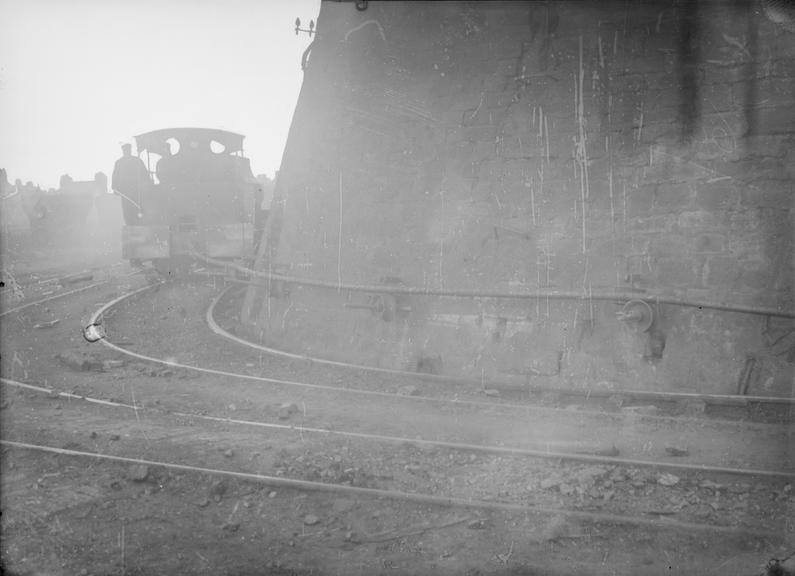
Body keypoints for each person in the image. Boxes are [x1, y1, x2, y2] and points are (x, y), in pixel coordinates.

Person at [111, 143, 150, 225]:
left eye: (128, 150)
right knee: (127, 210)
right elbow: (115, 176)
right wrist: (114, 187)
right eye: (125, 150)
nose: (127, 151)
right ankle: (130, 225)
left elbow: (145, 174)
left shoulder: (137, 161)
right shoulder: (119, 163)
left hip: (136, 191)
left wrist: (146, 185)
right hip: (125, 192)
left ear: (130, 150)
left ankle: (137, 224)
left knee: (137, 209)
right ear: (123, 151)